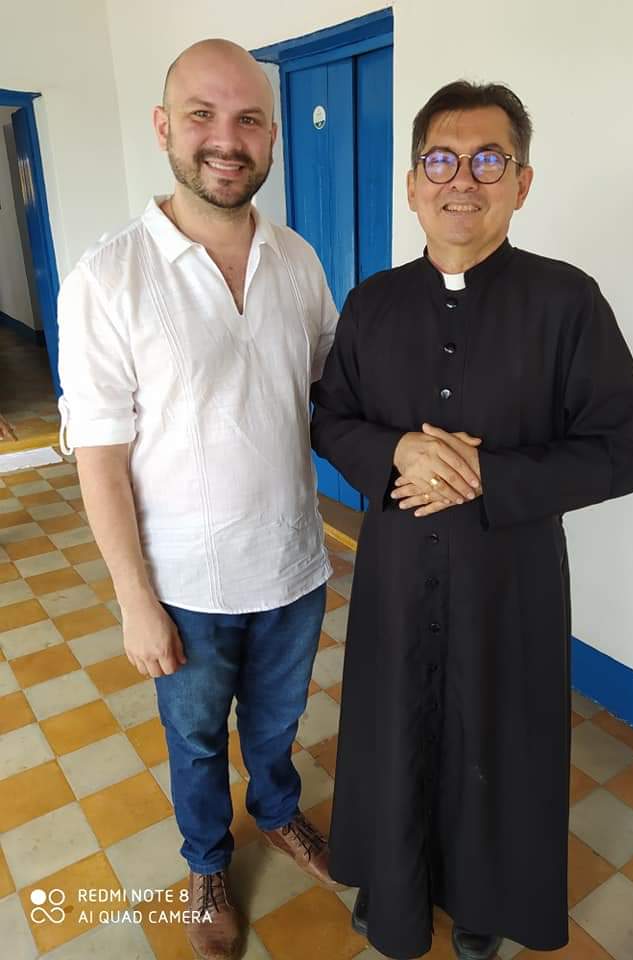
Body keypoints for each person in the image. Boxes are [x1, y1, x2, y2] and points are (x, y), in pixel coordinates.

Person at [311, 80, 633, 960]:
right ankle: (393, 887)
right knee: (398, 735)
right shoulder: (372, 303)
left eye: (487, 160)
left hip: (511, 587)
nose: (461, 179)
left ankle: (480, 908)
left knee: (493, 747)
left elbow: (625, 448)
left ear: (522, 183)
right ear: (413, 183)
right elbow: (329, 418)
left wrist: (484, 476)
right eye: (441, 159)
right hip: (395, 580)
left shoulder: (568, 302)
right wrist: (396, 453)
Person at [58, 39, 338, 960]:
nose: (228, 138)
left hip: (294, 564)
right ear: (163, 128)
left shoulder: (297, 261)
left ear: (270, 135)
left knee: (276, 723)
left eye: (250, 118)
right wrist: (135, 599)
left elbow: (339, 393)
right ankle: (207, 860)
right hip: (182, 583)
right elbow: (99, 459)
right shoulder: (109, 277)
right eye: (203, 116)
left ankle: (279, 811)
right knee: (193, 741)